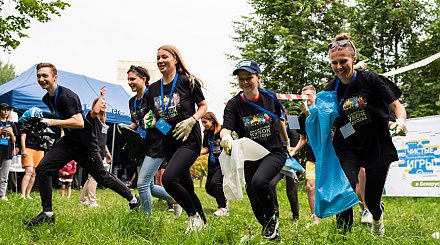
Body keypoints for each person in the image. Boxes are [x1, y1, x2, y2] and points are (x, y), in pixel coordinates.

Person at [24, 63, 140, 227]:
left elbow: (79, 122)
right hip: (68, 142)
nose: (41, 79)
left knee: (102, 177)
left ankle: (133, 199)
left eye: (45, 76)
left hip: (85, 145)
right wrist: (43, 127)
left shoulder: (67, 96)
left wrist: (50, 122)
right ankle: (47, 213)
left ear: (54, 78)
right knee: (43, 169)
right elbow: (65, 121)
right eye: (39, 76)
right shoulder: (46, 98)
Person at [324, 33, 407, 236]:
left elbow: (397, 106)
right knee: (345, 188)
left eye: (343, 61)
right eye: (334, 62)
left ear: (353, 59)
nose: (338, 67)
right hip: (347, 144)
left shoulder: (370, 80)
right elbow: (325, 119)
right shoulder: (331, 89)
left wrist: (401, 122)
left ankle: (377, 218)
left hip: (376, 142)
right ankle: (343, 235)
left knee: (371, 199)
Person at [220, 60, 290, 240]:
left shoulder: (269, 97)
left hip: (274, 150)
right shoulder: (234, 104)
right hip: (250, 155)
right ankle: (273, 234)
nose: (245, 82)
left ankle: (272, 218)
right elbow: (226, 128)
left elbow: (278, 120)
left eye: (249, 77)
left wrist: (286, 142)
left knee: (260, 182)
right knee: (254, 198)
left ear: (258, 78)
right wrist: (226, 138)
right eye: (241, 79)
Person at [144, 45, 208, 232]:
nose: (160, 60)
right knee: (186, 186)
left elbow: (203, 105)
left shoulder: (187, 82)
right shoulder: (154, 89)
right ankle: (202, 223)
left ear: (175, 60)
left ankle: (193, 215)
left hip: (190, 140)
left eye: (165, 57)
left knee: (170, 179)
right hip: (170, 142)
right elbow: (156, 118)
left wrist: (192, 119)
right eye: (158, 57)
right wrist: (152, 121)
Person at [125, 65, 181, 217]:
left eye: (133, 79)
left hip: (158, 144)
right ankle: (176, 200)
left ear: (144, 79)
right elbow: (137, 121)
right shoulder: (132, 102)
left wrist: (155, 124)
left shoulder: (155, 96)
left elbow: (167, 126)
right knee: (149, 186)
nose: (130, 82)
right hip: (142, 145)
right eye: (128, 79)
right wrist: (127, 129)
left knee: (142, 184)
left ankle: (146, 220)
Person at [291, 85, 320, 225]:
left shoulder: (322, 110)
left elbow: (320, 127)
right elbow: (303, 139)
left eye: (309, 95)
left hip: (327, 154)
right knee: (310, 186)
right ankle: (315, 218)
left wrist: (309, 112)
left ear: (315, 96)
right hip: (311, 154)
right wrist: (294, 151)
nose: (306, 98)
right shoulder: (301, 116)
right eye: (304, 96)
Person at [79, 87, 112, 207]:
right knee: (94, 177)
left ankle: (83, 200)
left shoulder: (103, 122)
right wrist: (101, 95)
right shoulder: (92, 118)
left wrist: (107, 152)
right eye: (101, 103)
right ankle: (92, 202)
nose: (103, 104)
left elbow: (103, 140)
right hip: (92, 152)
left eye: (104, 103)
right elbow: (95, 111)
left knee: (91, 177)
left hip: (101, 152)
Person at [269, 120, 299, 222]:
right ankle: (275, 211)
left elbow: (295, 148)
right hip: (279, 163)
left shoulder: (291, 131)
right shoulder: (274, 131)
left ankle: (296, 216)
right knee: (270, 184)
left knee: (291, 193)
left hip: (291, 164)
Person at [200, 112, 228, 217]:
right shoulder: (207, 133)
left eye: (205, 122)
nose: (203, 124)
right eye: (202, 122)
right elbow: (207, 148)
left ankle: (222, 208)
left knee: (216, 183)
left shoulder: (222, 130)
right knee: (208, 188)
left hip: (222, 163)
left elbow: (229, 144)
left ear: (212, 120)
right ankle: (223, 199)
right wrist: (198, 152)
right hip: (211, 162)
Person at [0, 103, 18, 201]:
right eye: (3, 109)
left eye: (8, 110)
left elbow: (15, 140)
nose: (6, 111)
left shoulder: (12, 124)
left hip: (7, 152)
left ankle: (2, 194)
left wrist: (11, 133)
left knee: (4, 175)